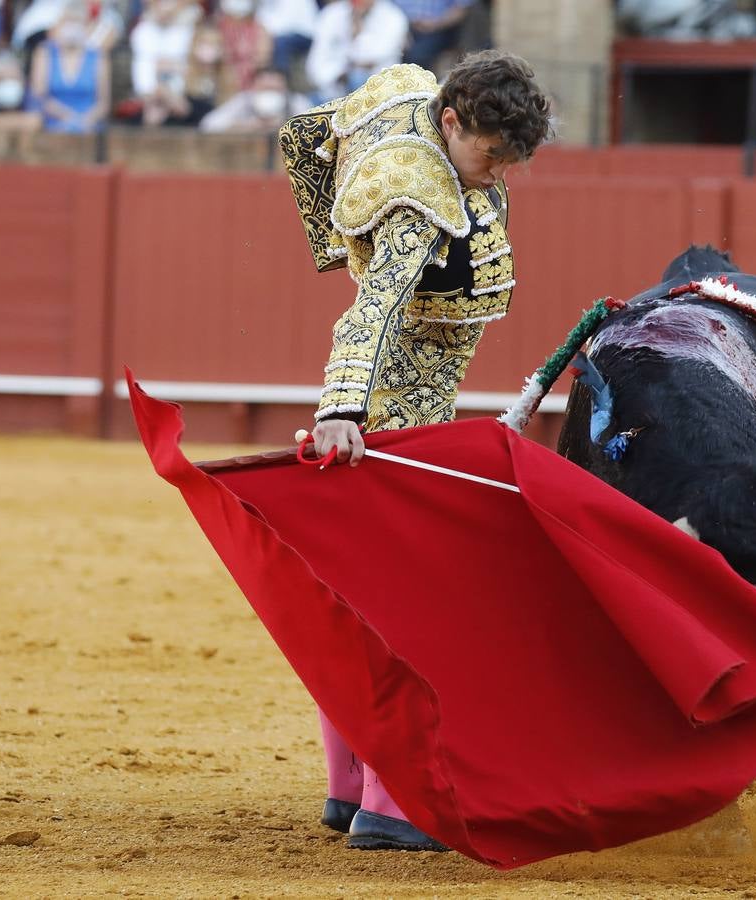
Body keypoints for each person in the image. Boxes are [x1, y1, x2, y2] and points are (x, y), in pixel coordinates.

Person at [278, 49, 551, 850]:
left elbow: (300, 136)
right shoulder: (417, 203)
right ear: (453, 122)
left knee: (363, 599)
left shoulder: (406, 87)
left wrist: (331, 243)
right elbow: (371, 313)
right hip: (395, 415)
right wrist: (342, 409)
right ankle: (393, 808)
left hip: (404, 406)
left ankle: (346, 790)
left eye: (511, 162)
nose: (496, 177)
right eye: (490, 156)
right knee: (417, 605)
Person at [28, 2, 110, 133]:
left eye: (77, 22)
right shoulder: (45, 52)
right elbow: (39, 95)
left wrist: (85, 121)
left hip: (89, 127)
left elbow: (103, 103)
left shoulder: (97, 55)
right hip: (51, 125)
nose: (72, 28)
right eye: (68, 22)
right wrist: (68, 117)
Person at [305, 0, 409, 101]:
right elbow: (316, 61)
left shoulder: (393, 16)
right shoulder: (331, 14)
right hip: (331, 92)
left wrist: (357, 29)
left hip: (378, 93)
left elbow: (371, 56)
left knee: (357, 77)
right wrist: (338, 74)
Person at [200, 65, 308, 132]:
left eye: (275, 89)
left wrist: (284, 125)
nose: (270, 93)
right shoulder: (244, 101)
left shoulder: (296, 102)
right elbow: (209, 124)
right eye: (265, 88)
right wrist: (245, 125)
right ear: (254, 87)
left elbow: (313, 128)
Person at [391, 0, 472, 72]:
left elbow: (462, 8)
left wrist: (436, 24)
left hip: (439, 28)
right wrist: (401, 28)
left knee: (417, 56)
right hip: (398, 25)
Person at [0, 50, 42, 132]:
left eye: (11, 78)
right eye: (0, 79)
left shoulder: (27, 91)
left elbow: (34, 121)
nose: (7, 84)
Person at [255, 0, 318, 75]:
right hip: (281, 35)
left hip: (305, 35)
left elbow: (283, 26)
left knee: (280, 43)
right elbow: (260, 22)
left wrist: (266, 36)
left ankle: (280, 77)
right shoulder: (266, 3)